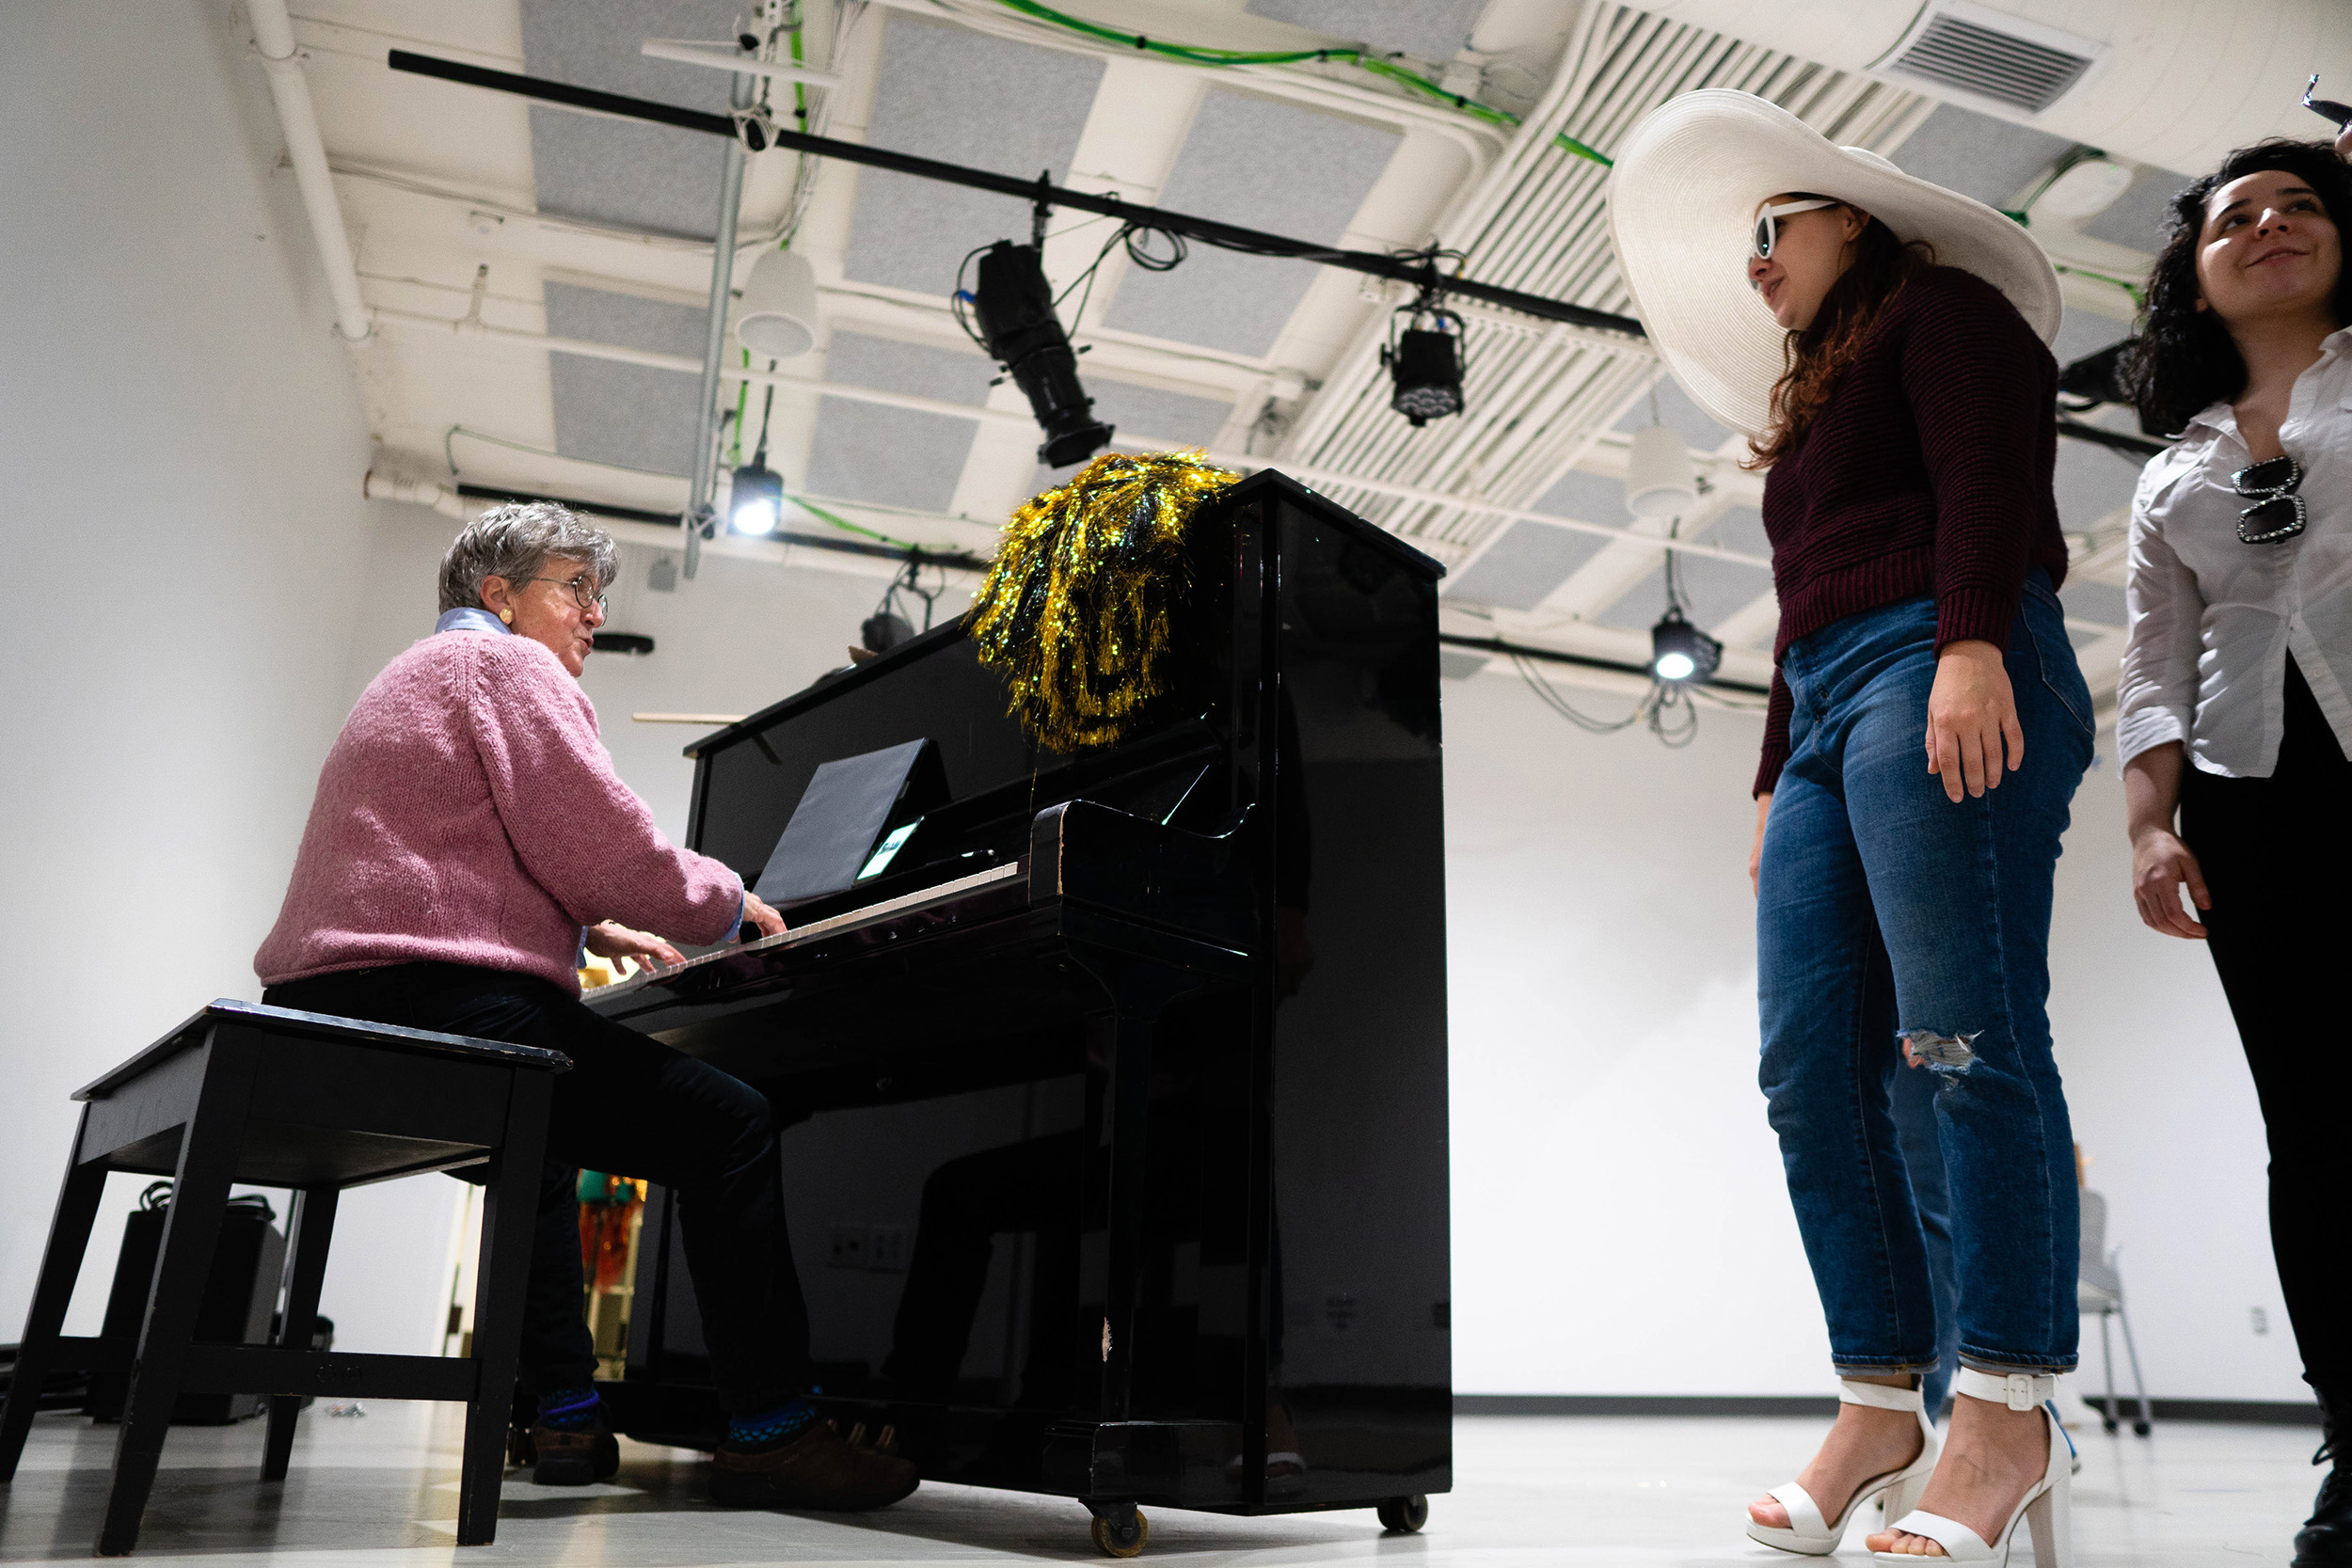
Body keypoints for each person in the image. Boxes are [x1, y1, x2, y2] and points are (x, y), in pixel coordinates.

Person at [1612, 91, 2092, 1562]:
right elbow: (1806, 602)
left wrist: (1967, 642)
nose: (1755, 261)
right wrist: (1772, 779)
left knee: (1960, 1032)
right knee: (1810, 1063)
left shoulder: (1948, 314)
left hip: (1945, 653)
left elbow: (1988, 487)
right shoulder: (1816, 405)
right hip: (1830, 702)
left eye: (1775, 228)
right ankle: (1880, 1398)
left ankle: (2004, 1406)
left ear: (1855, 222)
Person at [254, 501, 918, 1512]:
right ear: (499, 593)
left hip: (335, 997)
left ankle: (563, 1412)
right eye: (574, 588)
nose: (593, 614)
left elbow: (443, 852)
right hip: (443, 1006)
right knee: (731, 1125)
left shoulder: (414, 673)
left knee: (546, 1154)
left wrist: (586, 926)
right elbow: (606, 843)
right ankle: (773, 1432)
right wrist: (728, 904)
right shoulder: (507, 667)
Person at [2115, 134, 2352, 1568]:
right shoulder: (2169, 479)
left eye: (2302, 204)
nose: (2268, 225)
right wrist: (2149, 821)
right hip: (2256, 802)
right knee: (2317, 1129)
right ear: (2196, 279)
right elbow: (2155, 662)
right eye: (2234, 218)